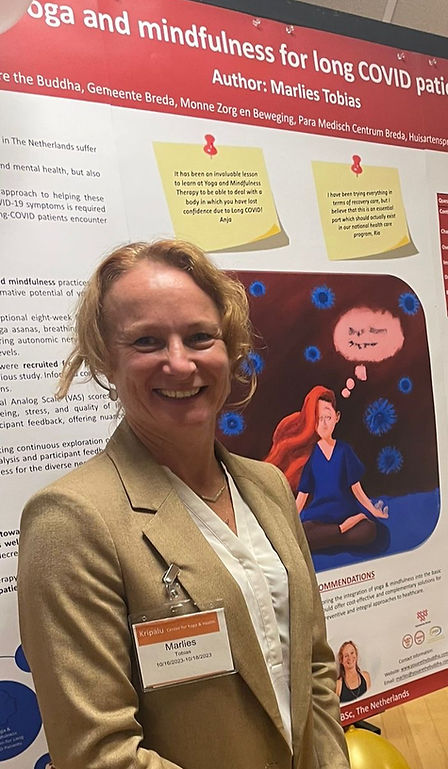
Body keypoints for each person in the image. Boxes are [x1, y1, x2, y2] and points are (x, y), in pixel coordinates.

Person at [17, 240, 350, 769]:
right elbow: (98, 754)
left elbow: (313, 668)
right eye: (147, 341)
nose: (180, 363)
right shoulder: (71, 521)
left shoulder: (268, 487)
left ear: (230, 348)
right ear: (106, 358)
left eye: (199, 337)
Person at [266, 386, 388, 551]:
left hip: (345, 513)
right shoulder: (310, 455)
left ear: (337, 417)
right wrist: (287, 522)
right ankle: (339, 533)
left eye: (328, 417)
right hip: (319, 518)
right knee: (303, 533)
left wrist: (373, 509)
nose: (323, 424)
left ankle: (328, 538)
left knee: (369, 531)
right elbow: (302, 497)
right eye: (318, 418)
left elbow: (356, 488)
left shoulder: (345, 451)